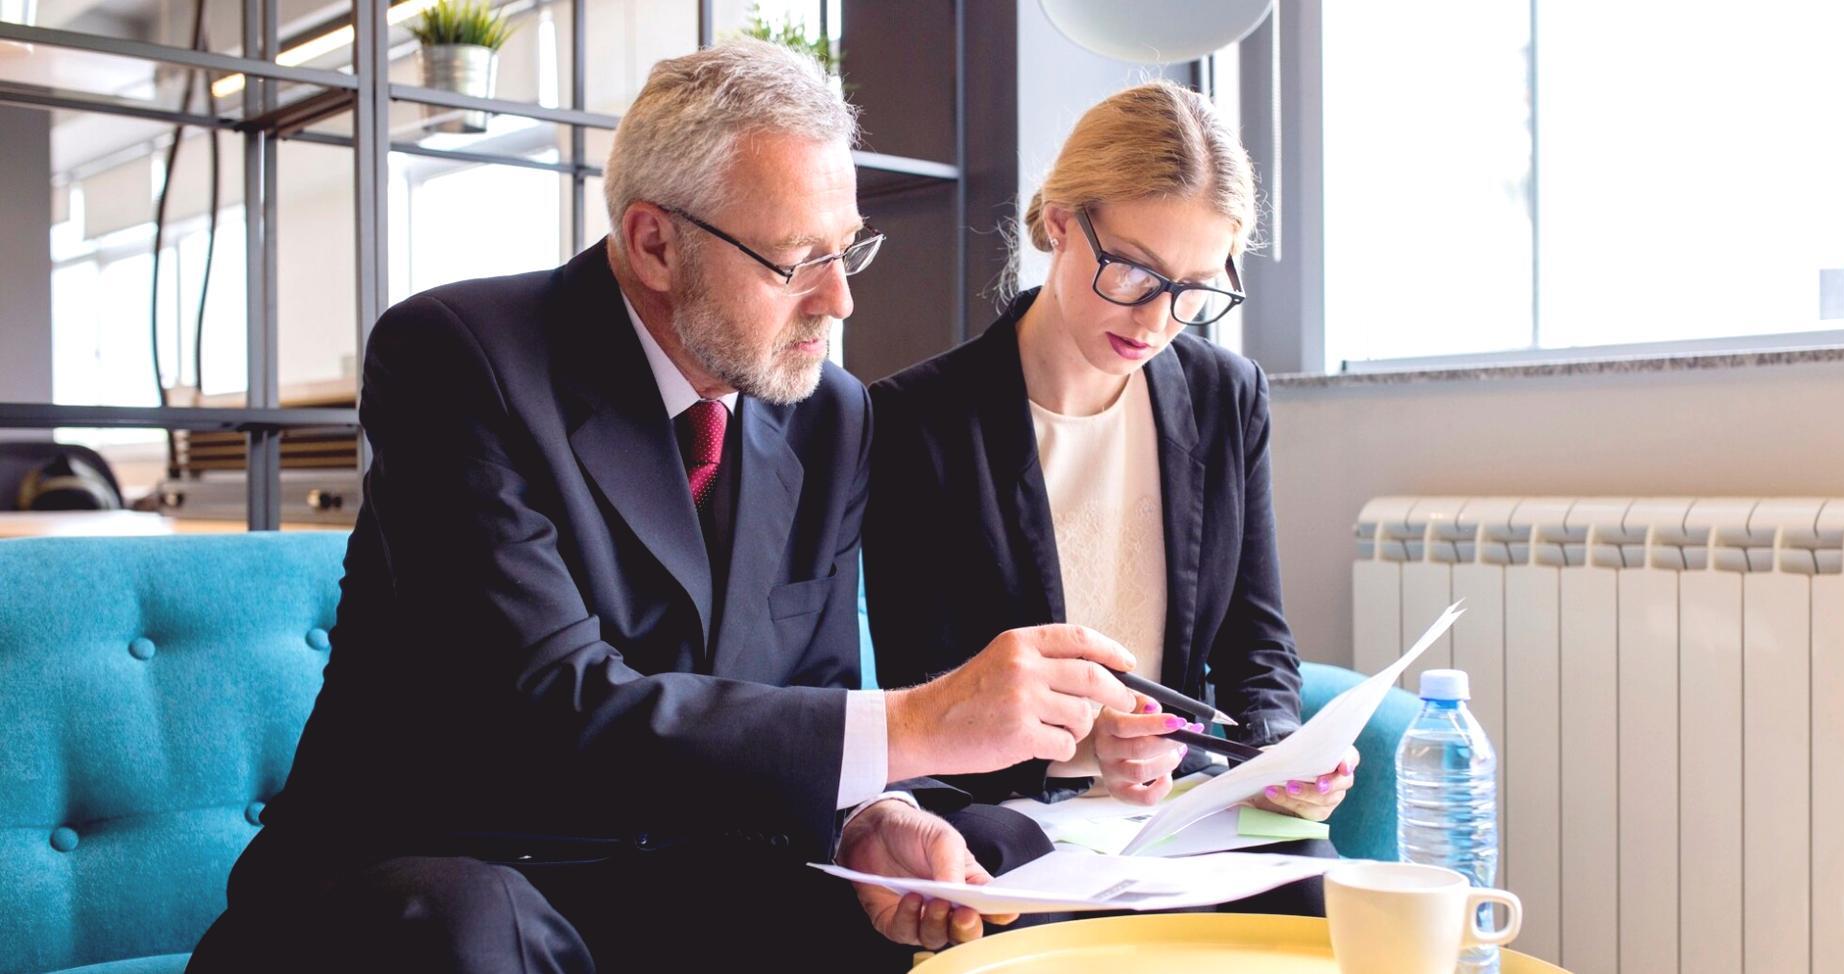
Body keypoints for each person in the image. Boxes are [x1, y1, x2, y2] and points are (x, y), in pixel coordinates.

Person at [187, 38, 1141, 974]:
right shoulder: (457, 357)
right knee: (471, 927)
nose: (839, 301)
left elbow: (811, 691)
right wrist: (923, 721)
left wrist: (870, 815)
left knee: (988, 857)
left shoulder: (830, 415)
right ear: (654, 243)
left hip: (680, 885)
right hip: (447, 874)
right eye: (796, 260)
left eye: (848, 250)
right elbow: (550, 708)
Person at [864, 80, 1355, 917]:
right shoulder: (919, 421)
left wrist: (1278, 756)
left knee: (1316, 896)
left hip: (1178, 809)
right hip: (1009, 808)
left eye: (1195, 288)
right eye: (1133, 270)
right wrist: (1083, 746)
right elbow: (925, 693)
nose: (1157, 321)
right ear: (1061, 222)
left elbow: (1258, 644)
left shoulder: (1226, 396)